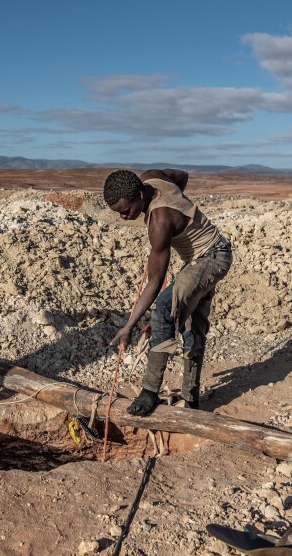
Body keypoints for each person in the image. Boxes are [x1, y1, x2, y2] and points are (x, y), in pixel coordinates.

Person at [103, 169, 232, 416]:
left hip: (211, 259)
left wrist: (129, 326)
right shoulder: (151, 176)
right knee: (193, 327)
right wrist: (181, 204)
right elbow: (181, 176)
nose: (123, 216)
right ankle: (191, 400)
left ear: (140, 194)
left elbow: (155, 282)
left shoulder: (160, 222)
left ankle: (149, 392)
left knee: (164, 308)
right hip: (207, 254)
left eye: (126, 210)